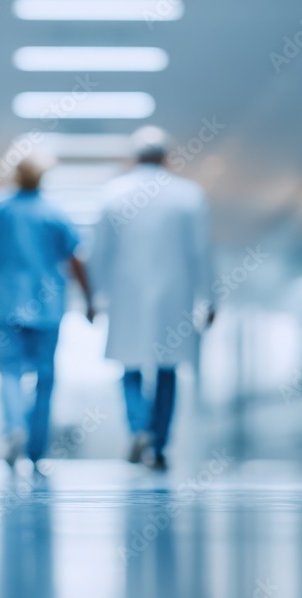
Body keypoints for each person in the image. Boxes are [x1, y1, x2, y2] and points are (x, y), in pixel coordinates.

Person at [91, 128, 215, 470]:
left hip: (126, 293)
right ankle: (158, 445)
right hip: (174, 294)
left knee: (129, 366)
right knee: (167, 369)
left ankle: (137, 428)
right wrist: (210, 298)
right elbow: (201, 251)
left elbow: (100, 251)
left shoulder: (113, 193)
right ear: (167, 156)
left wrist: (93, 296)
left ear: (134, 157)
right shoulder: (189, 195)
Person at [0, 156, 94, 472]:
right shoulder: (55, 212)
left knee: (9, 370)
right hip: (47, 304)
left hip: (4, 301)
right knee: (45, 376)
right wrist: (90, 298)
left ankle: (14, 427)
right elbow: (75, 260)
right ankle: (37, 450)